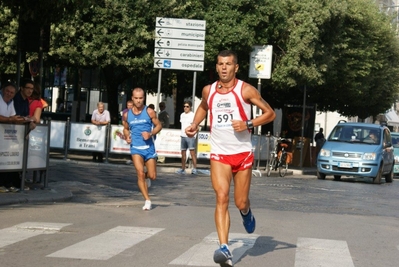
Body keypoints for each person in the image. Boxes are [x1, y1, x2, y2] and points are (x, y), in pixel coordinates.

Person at [185, 50, 276, 267]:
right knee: (222, 196)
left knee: (240, 201)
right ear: (216, 67)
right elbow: (204, 106)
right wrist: (195, 124)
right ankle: (224, 248)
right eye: (220, 64)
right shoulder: (208, 90)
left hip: (243, 154)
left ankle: (246, 212)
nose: (224, 68)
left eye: (228, 64)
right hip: (219, 153)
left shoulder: (245, 90)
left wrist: (248, 124)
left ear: (236, 67)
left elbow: (270, 113)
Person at [122, 87, 162, 211]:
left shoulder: (149, 112)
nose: (138, 101)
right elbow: (126, 128)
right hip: (136, 148)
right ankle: (147, 200)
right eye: (136, 98)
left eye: (141, 98)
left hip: (149, 148)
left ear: (143, 98)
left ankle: (146, 177)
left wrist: (150, 133)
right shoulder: (127, 114)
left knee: (152, 175)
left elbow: (159, 125)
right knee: (139, 173)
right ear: (132, 99)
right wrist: (127, 136)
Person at [176, 100, 198, 175]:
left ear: (190, 107)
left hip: (190, 137)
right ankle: (183, 169)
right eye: (184, 106)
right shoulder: (182, 115)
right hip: (183, 136)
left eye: (187, 106)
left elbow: (196, 126)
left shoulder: (193, 115)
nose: (185, 108)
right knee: (183, 153)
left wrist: (193, 134)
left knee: (192, 153)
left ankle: (195, 168)